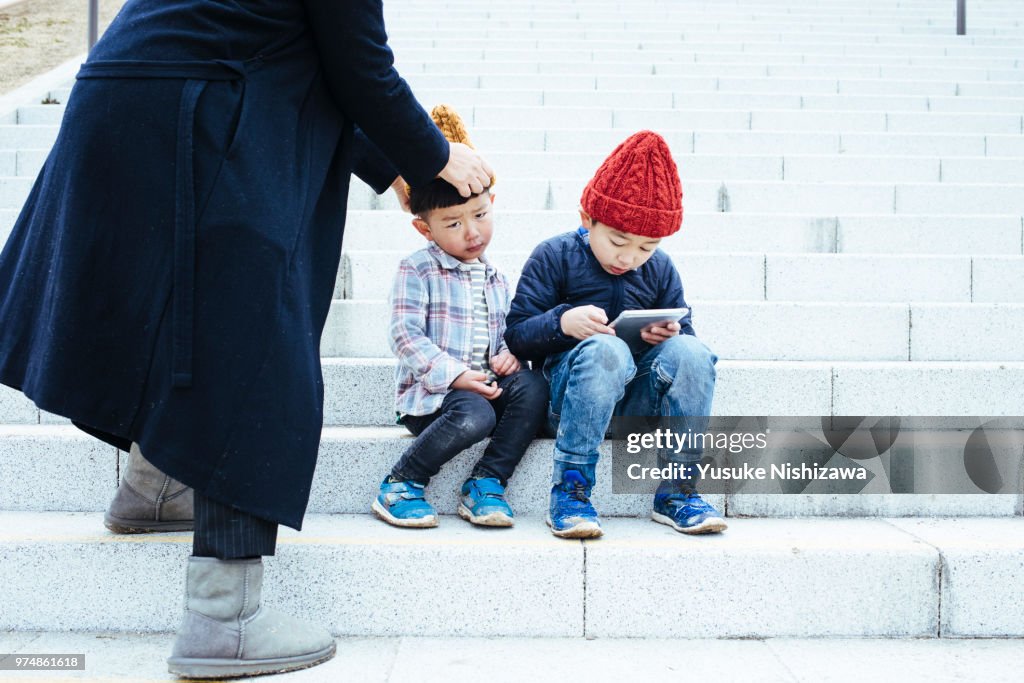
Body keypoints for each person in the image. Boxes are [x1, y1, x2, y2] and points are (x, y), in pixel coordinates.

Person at [0, 1, 492, 678]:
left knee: (187, 308)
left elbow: (301, 53)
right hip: (195, 109)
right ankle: (223, 614)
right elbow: (359, 68)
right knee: (253, 334)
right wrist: (436, 154)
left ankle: (157, 484)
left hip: (131, 100)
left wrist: (399, 166)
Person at [504, 130, 726, 540]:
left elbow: (686, 345)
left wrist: (669, 334)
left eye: (646, 248)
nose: (629, 257)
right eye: (618, 241)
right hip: (568, 405)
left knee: (693, 352)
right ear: (587, 219)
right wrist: (562, 323)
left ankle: (678, 491)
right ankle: (571, 489)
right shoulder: (554, 255)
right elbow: (516, 335)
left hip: (635, 405)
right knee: (606, 349)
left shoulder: (660, 268)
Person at [374, 106, 548, 530]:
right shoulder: (417, 269)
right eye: (453, 222)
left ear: (492, 203)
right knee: (477, 414)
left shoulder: (495, 276)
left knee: (532, 387)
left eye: (481, 215)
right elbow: (405, 334)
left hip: (484, 385)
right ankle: (402, 482)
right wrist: (454, 375)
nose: (472, 233)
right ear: (425, 229)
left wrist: (509, 353)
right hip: (435, 398)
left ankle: (487, 481)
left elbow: (509, 328)